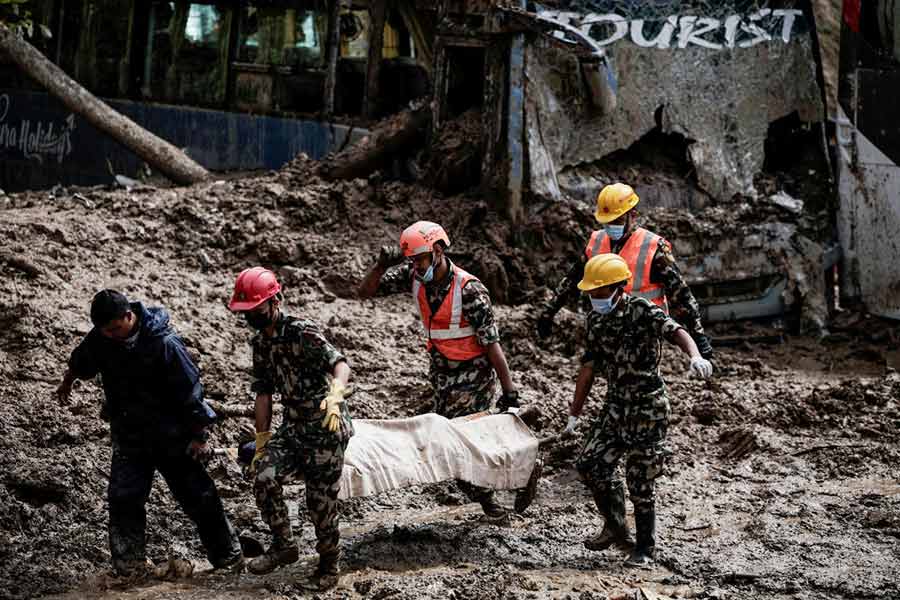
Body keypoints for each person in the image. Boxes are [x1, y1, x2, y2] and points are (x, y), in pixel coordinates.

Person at [55, 289, 242, 577]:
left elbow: (191, 391)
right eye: (105, 331)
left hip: (173, 435)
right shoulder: (102, 338)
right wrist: (67, 382)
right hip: (129, 435)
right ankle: (129, 568)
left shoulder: (165, 344)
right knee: (124, 498)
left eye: (115, 329)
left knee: (198, 495)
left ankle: (228, 557)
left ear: (129, 316)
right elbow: (81, 361)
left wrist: (199, 436)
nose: (111, 335)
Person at [357, 221, 522, 520]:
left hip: (474, 377)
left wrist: (509, 391)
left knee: (455, 447)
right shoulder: (414, 276)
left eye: (420, 259)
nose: (417, 267)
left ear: (437, 251)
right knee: (464, 444)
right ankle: (513, 475)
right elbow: (364, 292)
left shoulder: (470, 291)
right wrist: (381, 266)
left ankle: (494, 504)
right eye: (412, 261)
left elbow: (492, 344)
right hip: (442, 375)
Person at [565, 254, 713, 566]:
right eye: (590, 291)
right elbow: (589, 367)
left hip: (647, 408)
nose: (593, 297)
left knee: (640, 481)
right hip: (615, 407)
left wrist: (695, 355)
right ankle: (616, 526)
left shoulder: (641, 310)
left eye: (598, 291)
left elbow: (676, 331)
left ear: (617, 287)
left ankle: (645, 548)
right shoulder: (595, 320)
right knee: (590, 463)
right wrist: (574, 414)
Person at [228, 267, 352, 590]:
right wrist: (262, 441)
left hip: (326, 426)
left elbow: (340, 364)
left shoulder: (302, 332)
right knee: (263, 476)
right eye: (246, 312)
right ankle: (284, 545)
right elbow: (263, 394)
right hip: (293, 426)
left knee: (320, 503)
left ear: (275, 301)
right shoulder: (261, 344)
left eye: (256, 310)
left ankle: (329, 566)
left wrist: (335, 396)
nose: (251, 317)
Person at [537, 182, 713, 360]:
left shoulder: (653, 247)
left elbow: (681, 294)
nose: (611, 225)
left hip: (643, 330)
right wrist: (549, 311)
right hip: (604, 328)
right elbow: (572, 280)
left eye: (617, 220)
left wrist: (698, 335)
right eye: (607, 221)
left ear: (633, 215)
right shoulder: (596, 242)